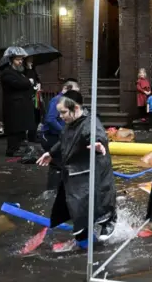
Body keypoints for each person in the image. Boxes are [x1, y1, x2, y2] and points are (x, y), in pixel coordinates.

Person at [36, 91, 117, 247]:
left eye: (64, 112)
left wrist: (98, 144)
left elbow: (96, 134)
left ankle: (108, 220)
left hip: (93, 172)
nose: (60, 116)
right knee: (77, 210)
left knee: (98, 203)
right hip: (75, 173)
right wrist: (51, 153)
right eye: (60, 112)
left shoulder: (90, 123)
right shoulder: (70, 124)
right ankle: (84, 237)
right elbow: (64, 141)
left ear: (76, 108)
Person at [40, 80, 80, 190]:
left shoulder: (65, 101)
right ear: (66, 88)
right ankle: (52, 191)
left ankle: (57, 189)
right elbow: (50, 119)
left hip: (57, 135)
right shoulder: (57, 100)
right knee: (57, 164)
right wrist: (64, 131)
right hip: (50, 136)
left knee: (60, 163)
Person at [0, 46, 37, 157]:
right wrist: (29, 82)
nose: (20, 61)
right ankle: (12, 150)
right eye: (18, 59)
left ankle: (19, 148)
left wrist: (30, 68)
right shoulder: (7, 73)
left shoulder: (20, 72)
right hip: (14, 106)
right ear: (11, 60)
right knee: (14, 129)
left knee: (20, 128)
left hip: (21, 105)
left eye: (21, 59)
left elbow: (31, 81)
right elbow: (20, 84)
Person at [24, 56, 43, 142]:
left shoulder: (33, 70)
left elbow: (37, 80)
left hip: (36, 96)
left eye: (32, 60)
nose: (31, 62)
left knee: (37, 116)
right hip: (29, 97)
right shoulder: (24, 70)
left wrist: (39, 84)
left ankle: (33, 135)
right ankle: (30, 136)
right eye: (29, 60)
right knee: (31, 116)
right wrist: (29, 69)